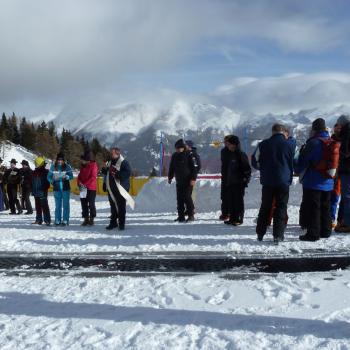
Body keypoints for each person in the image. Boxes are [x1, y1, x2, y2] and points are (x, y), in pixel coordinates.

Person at [252, 124, 295, 244]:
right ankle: (278, 235)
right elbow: (296, 160)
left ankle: (260, 233)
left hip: (267, 181)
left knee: (265, 206)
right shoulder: (290, 145)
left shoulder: (263, 144)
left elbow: (254, 160)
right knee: (281, 207)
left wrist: (263, 168)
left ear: (272, 132)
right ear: (283, 132)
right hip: (283, 181)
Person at [294, 118, 335, 241]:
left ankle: (313, 234)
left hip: (313, 181)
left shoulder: (313, 143)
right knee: (326, 206)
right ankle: (326, 231)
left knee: (314, 208)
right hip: (328, 180)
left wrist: (297, 167)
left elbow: (302, 162)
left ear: (314, 129)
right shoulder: (331, 141)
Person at [223, 135, 251, 226]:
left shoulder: (241, 154)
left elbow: (247, 169)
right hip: (230, 182)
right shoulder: (230, 155)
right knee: (231, 201)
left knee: (238, 201)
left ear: (234, 144)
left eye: (229, 144)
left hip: (239, 183)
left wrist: (245, 180)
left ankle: (239, 218)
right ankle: (232, 218)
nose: (227, 145)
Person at [168, 139, 197, 222]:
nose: (177, 150)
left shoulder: (189, 155)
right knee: (179, 199)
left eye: (179, 148)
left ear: (183, 147)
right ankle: (181, 216)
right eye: (176, 148)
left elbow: (194, 168)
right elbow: (172, 167)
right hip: (179, 180)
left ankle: (191, 215)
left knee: (187, 198)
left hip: (188, 181)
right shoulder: (174, 156)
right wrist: (170, 176)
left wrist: (193, 179)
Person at [102, 147, 132, 231]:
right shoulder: (110, 162)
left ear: (117, 154)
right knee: (113, 206)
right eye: (110, 153)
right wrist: (104, 182)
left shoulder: (124, 162)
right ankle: (113, 222)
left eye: (112, 154)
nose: (110, 155)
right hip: (111, 188)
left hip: (121, 188)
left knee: (121, 207)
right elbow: (107, 172)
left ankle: (121, 223)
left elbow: (127, 173)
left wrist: (117, 174)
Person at [47, 152, 73, 226]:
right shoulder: (53, 167)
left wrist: (68, 177)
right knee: (58, 206)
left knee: (66, 205)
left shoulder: (67, 167)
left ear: (64, 160)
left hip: (65, 189)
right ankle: (57, 220)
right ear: (56, 160)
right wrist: (52, 181)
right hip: (57, 189)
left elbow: (71, 176)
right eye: (59, 160)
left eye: (61, 160)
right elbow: (48, 177)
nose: (60, 161)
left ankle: (65, 220)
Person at [334, 115, 350, 233]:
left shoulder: (346, 134)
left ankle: (347, 224)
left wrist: (338, 153)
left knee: (347, 197)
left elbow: (344, 152)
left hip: (347, 170)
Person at [77, 151, 98, 226]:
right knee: (83, 203)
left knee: (91, 203)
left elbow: (93, 177)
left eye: (82, 160)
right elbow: (79, 175)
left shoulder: (94, 165)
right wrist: (79, 182)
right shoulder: (83, 165)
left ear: (87, 160)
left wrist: (84, 184)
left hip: (91, 188)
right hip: (83, 188)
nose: (81, 161)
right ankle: (86, 219)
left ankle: (92, 218)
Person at [32, 156, 51, 225]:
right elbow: (32, 182)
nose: (35, 164)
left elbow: (48, 182)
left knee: (45, 206)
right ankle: (38, 219)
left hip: (42, 192)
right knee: (37, 206)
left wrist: (44, 188)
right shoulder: (34, 172)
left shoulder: (46, 172)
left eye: (36, 163)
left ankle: (47, 220)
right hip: (36, 192)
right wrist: (32, 189)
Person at [185, 140, 201, 215]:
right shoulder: (186, 153)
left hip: (190, 178)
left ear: (189, 146)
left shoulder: (193, 154)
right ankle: (189, 209)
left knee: (188, 194)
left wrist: (193, 177)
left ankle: (191, 210)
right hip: (185, 177)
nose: (184, 146)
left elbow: (197, 167)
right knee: (186, 194)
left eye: (186, 145)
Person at [220, 135, 233, 221]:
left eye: (226, 142)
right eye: (224, 142)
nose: (225, 143)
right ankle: (225, 213)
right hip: (225, 176)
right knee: (224, 196)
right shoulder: (223, 151)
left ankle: (231, 213)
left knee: (231, 196)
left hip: (232, 177)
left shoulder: (235, 151)